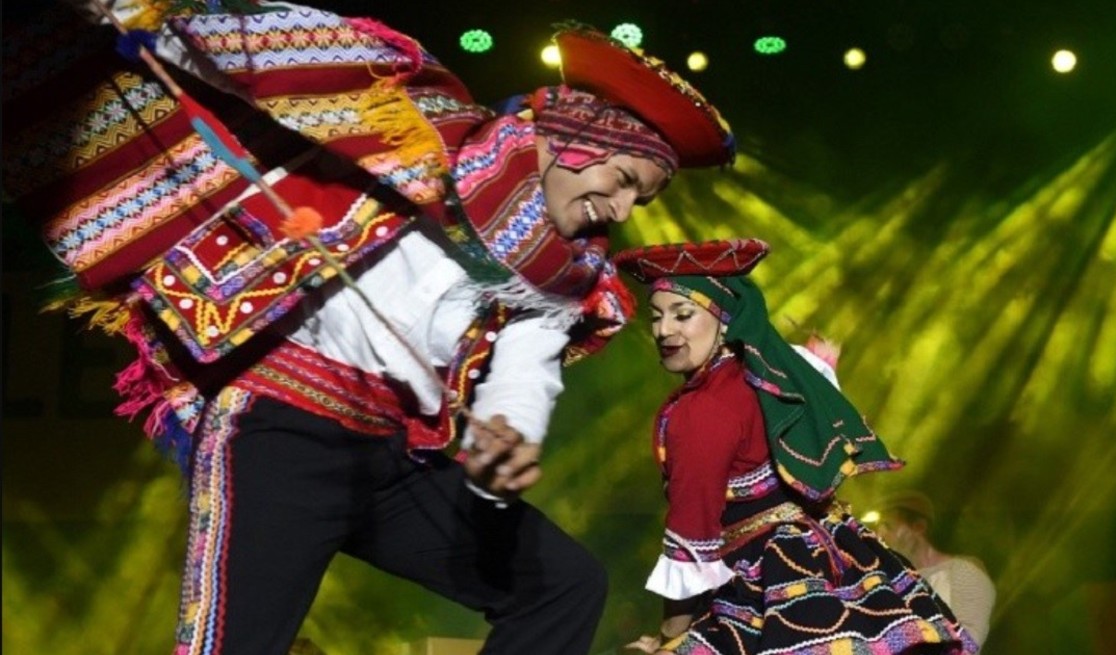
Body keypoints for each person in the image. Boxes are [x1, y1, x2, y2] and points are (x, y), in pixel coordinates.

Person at [1, 4, 734, 654]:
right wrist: (152, 19)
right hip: (281, 427)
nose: (624, 207)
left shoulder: (568, 273)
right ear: (578, 140)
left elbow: (526, 360)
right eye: (628, 181)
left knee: (563, 584)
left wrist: (509, 425)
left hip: (395, 459)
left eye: (642, 196)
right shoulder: (417, 132)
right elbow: (275, 65)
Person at [613, 239, 979, 654]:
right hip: (842, 560)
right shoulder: (772, 373)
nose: (663, 330)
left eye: (683, 314)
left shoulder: (701, 411)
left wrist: (668, 639)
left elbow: (691, 541)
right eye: (656, 316)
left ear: (725, 318)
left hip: (772, 580)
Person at [877, 491, 997, 647]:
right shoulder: (889, 585)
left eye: (888, 526)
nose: (879, 535)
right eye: (877, 528)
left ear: (919, 527)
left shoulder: (963, 571)